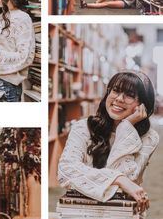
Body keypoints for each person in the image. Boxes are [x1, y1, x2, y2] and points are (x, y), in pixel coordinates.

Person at [58, 71, 159, 211]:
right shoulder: (82, 127)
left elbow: (125, 184)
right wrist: (119, 179)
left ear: (142, 105)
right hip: (81, 209)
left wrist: (125, 128)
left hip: (121, 211)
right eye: (115, 91)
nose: (119, 99)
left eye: (129, 95)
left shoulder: (149, 138)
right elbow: (66, 170)